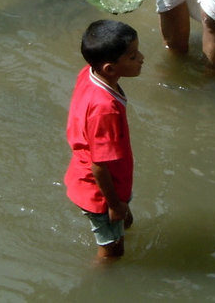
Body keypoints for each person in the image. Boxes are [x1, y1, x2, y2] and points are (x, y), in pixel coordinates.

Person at [64, 20, 144, 260]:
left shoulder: (89, 72)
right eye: (132, 56)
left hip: (96, 178)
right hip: (99, 193)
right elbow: (99, 167)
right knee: (112, 252)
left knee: (125, 222)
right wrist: (114, 204)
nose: (142, 58)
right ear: (110, 69)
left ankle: (122, 219)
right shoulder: (105, 109)